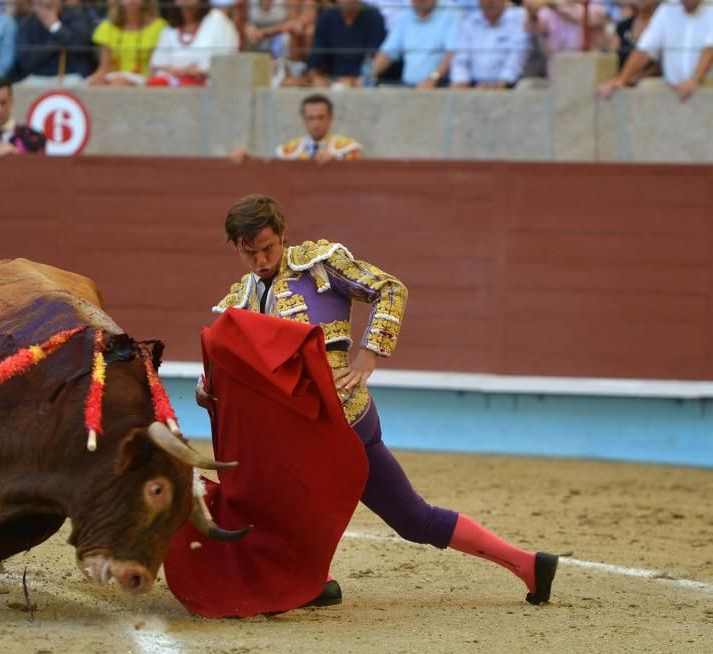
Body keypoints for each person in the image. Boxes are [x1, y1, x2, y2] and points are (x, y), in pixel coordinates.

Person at [197, 193, 560, 609]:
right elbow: (225, 369)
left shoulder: (319, 263)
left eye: (268, 248)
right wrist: (206, 390)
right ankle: (529, 565)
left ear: (283, 235)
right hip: (300, 434)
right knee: (400, 517)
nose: (261, 260)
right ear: (237, 249)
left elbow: (390, 289)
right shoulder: (237, 301)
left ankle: (315, 580)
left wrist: (369, 354)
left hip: (343, 421)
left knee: (281, 501)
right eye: (250, 253)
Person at [598, 0, 713, 102]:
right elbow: (645, 49)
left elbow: (710, 49)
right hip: (675, 89)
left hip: (706, 86)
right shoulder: (667, 9)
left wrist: (695, 80)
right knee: (644, 89)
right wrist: (621, 80)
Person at [229, 93, 362, 163]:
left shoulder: (347, 147)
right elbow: (269, 170)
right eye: (311, 118)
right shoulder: (289, 150)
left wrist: (337, 163)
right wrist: (249, 159)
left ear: (331, 118)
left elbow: (359, 175)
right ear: (303, 119)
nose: (316, 123)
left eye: (321, 117)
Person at [368, 0, 461, 88]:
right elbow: (387, 53)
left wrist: (433, 78)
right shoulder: (405, 15)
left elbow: (452, 53)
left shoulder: (451, 12)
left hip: (440, 87)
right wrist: (368, 75)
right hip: (409, 87)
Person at [147, 0, 238, 86]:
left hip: (208, 91)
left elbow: (228, 64)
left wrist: (197, 73)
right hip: (172, 91)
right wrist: (182, 72)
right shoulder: (170, 28)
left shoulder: (219, 21)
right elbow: (156, 65)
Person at [305, 0, 385, 88]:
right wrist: (316, 78)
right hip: (332, 81)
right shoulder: (326, 18)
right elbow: (315, 60)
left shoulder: (374, 17)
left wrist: (355, 80)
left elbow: (374, 59)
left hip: (362, 82)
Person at [450, 0, 529, 88]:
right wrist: (461, 80)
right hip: (473, 85)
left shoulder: (519, 18)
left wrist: (502, 82)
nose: (489, 1)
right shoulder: (470, 22)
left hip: (510, 86)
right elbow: (460, 60)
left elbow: (517, 57)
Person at [13, 0, 94, 84]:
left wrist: (55, 26)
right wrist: (55, 42)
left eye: (49, 5)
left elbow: (81, 46)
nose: (46, 10)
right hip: (36, 76)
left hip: (72, 75)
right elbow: (26, 62)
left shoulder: (75, 16)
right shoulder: (26, 24)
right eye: (41, 4)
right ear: (33, 6)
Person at [87, 0, 167, 86]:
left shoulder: (159, 27)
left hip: (145, 79)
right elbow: (103, 68)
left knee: (119, 82)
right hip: (114, 77)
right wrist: (97, 79)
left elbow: (155, 68)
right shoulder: (106, 27)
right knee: (94, 82)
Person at [523, 0, 609, 77]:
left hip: (587, 73)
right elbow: (533, 30)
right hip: (557, 72)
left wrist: (549, 2)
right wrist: (532, 13)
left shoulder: (596, 7)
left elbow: (581, 17)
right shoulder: (547, 11)